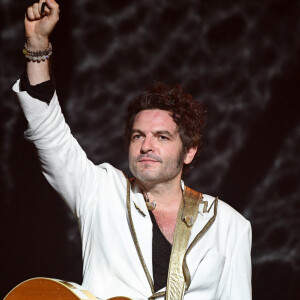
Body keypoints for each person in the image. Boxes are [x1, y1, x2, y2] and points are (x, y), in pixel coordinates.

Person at [13, 0, 252, 299]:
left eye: (162, 137)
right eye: (138, 136)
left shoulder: (230, 226)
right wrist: (37, 46)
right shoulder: (100, 193)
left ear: (189, 152)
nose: (146, 146)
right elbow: (50, 135)